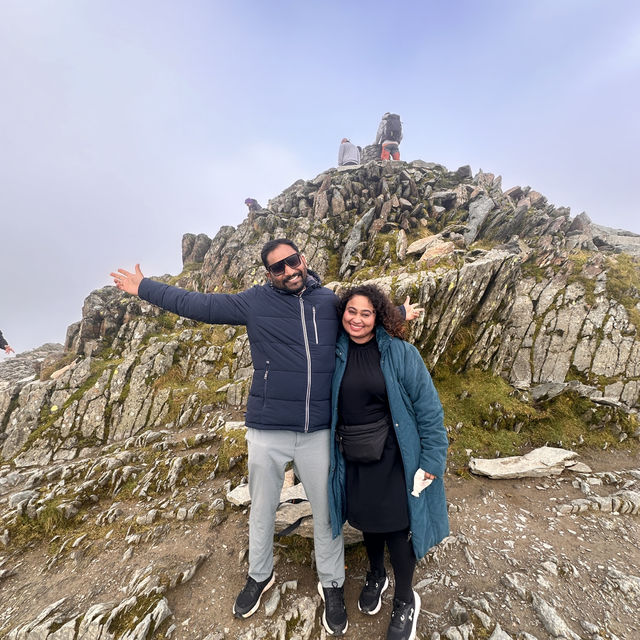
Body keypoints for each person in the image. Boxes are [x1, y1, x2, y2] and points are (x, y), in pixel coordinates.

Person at [111, 239, 421, 636]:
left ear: (303, 259)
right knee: (262, 509)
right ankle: (260, 575)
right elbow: (200, 305)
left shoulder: (328, 302)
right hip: (266, 429)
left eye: (293, 261)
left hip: (317, 432)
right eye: (279, 268)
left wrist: (400, 313)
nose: (289, 271)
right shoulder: (254, 302)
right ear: (269, 274)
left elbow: (361, 321)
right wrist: (145, 287)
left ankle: (333, 584)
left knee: (327, 513)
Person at [328, 284, 449, 640]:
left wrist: (432, 459)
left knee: (397, 527)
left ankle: (405, 599)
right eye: (352, 311)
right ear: (342, 313)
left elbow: (429, 409)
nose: (357, 319)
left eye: (367, 313)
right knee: (367, 522)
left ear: (378, 317)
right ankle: (377, 575)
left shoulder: (400, 353)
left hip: (395, 456)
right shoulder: (333, 352)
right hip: (353, 453)